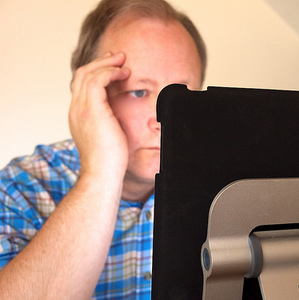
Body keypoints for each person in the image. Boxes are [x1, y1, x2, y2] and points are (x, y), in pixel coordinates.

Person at [0, 0, 207, 298]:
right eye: (138, 92)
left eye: (183, 95)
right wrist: (100, 173)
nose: (166, 120)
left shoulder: (227, 189)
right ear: (89, 95)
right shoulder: (18, 191)